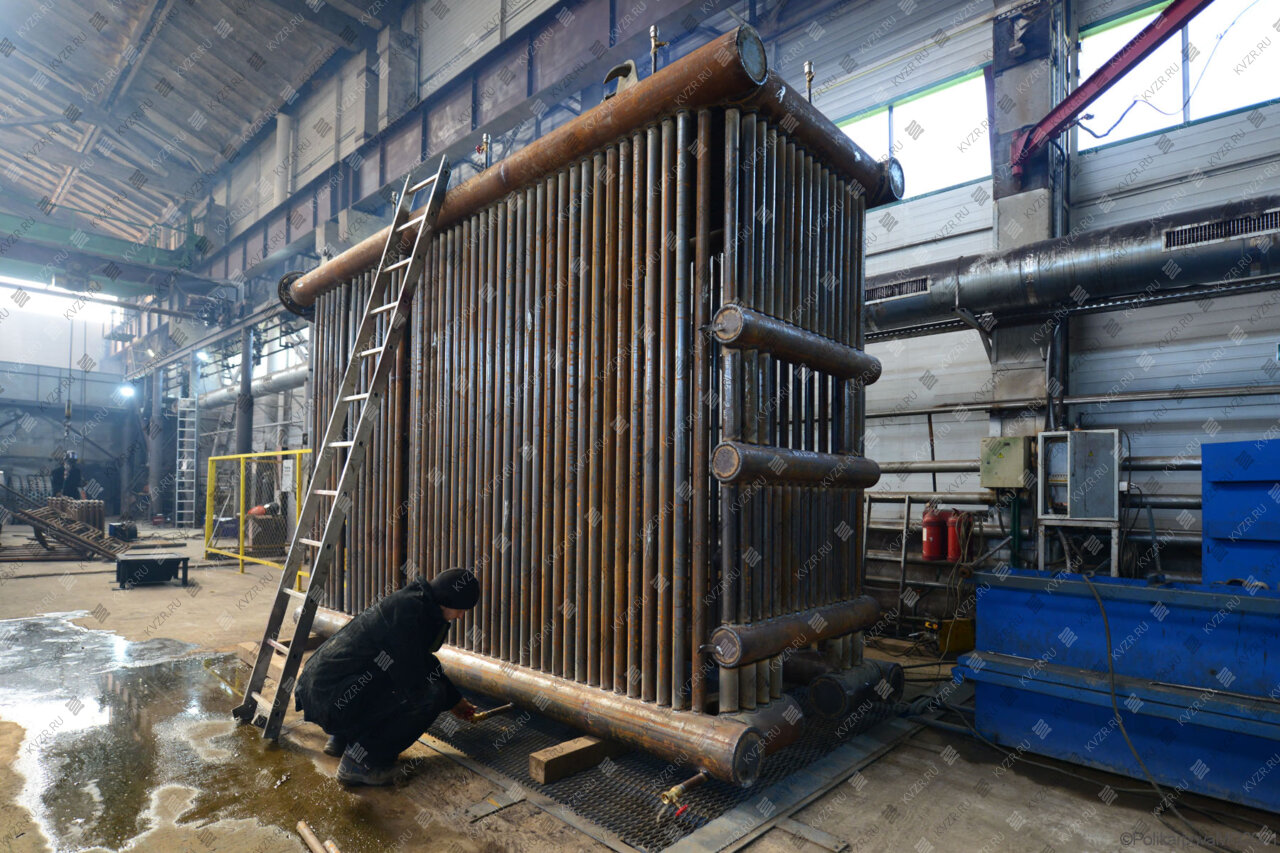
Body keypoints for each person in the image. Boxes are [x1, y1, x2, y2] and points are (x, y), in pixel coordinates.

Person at [294, 567, 480, 786]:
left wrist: (455, 700)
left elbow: (421, 660)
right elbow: (414, 673)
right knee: (430, 695)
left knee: (388, 677)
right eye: (461, 609)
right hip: (331, 699)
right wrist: (448, 698)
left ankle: (343, 738)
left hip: (321, 688)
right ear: (447, 600)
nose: (461, 616)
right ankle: (361, 762)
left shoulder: (412, 603)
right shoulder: (409, 614)